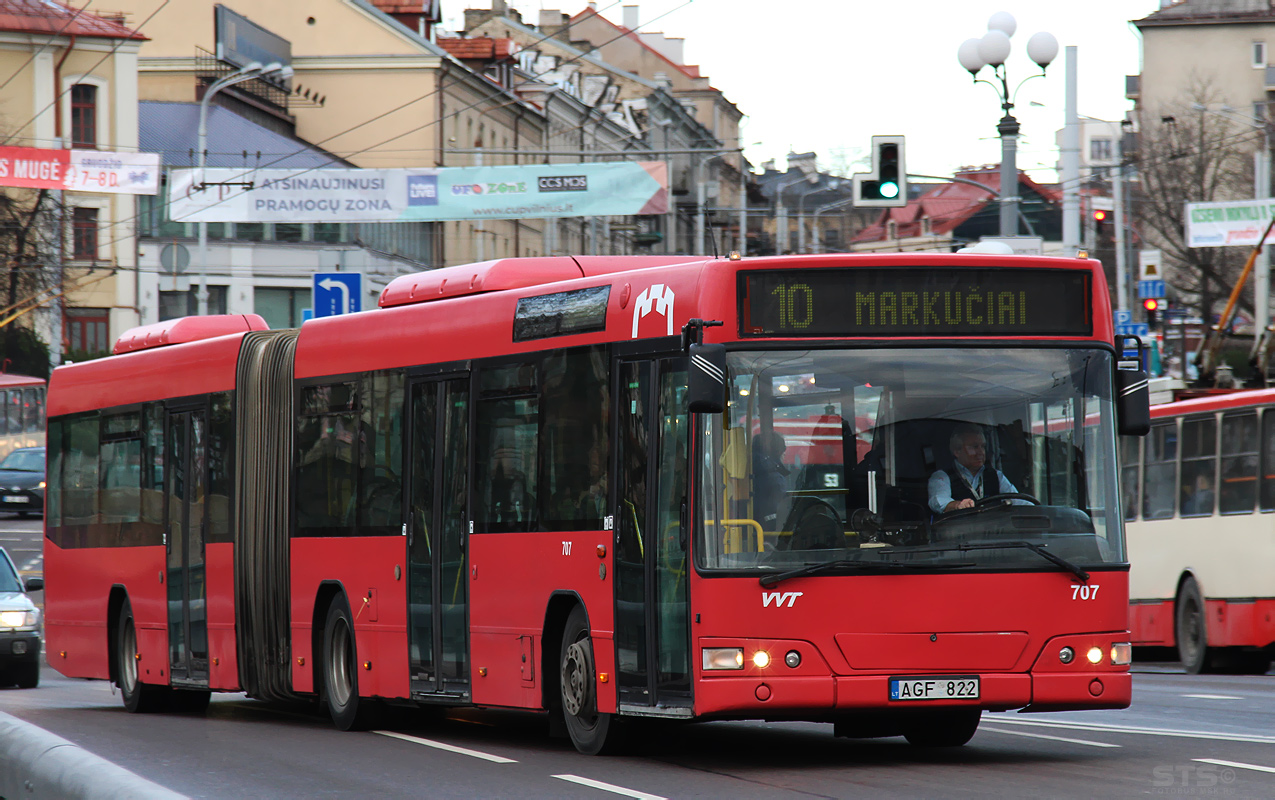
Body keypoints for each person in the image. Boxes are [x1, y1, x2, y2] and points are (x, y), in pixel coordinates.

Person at [928, 423, 1023, 514]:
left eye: (983, 447)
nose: (981, 452)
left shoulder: (996, 475)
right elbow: (938, 501)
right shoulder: (942, 476)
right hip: (961, 529)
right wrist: (958, 505)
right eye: (974, 447)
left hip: (995, 529)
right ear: (957, 451)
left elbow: (1019, 502)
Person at [753, 431, 791, 531]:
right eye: (783, 448)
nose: (785, 453)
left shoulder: (754, 470)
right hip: (770, 527)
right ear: (778, 451)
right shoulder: (775, 478)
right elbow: (781, 507)